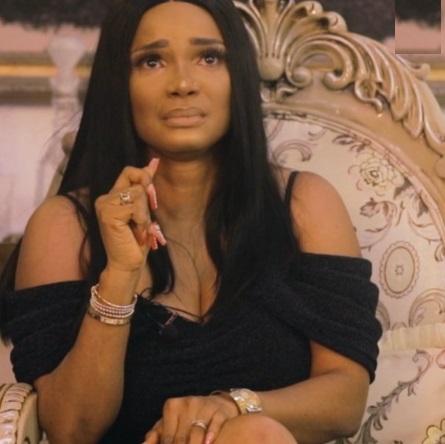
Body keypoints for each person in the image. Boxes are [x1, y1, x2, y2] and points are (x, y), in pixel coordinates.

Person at [0, 1, 382, 443]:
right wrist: (120, 275)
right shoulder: (66, 226)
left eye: (209, 57)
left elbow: (345, 401)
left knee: (254, 433)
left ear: (237, 76)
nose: (183, 84)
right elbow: (72, 429)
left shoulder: (305, 205)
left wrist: (231, 407)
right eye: (152, 61)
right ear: (119, 83)